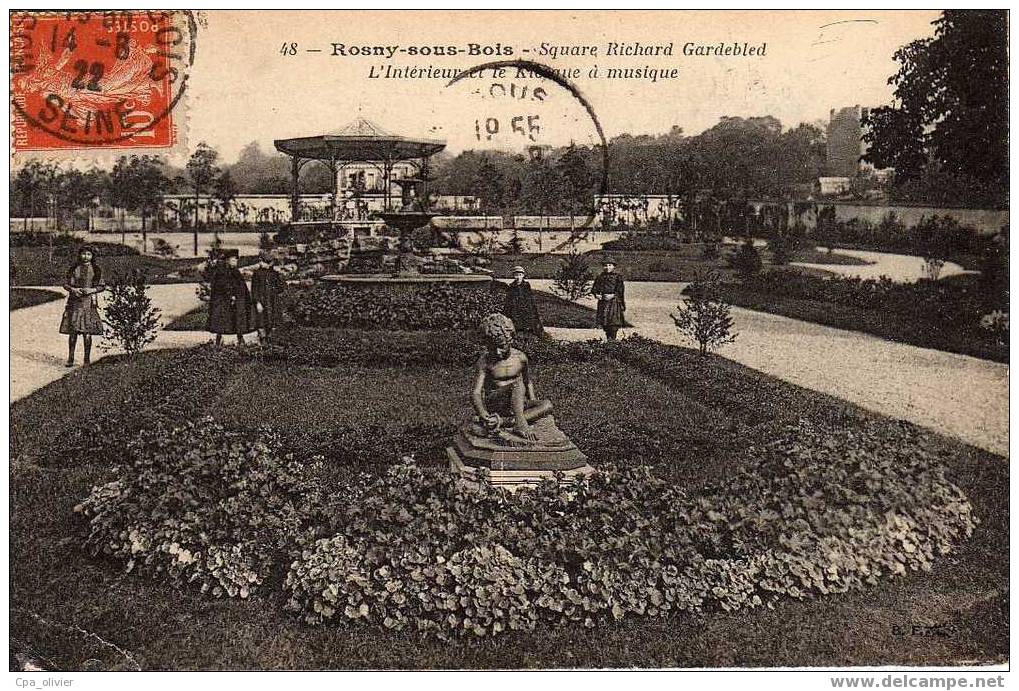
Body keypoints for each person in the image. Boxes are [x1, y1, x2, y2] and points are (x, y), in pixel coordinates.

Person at [471, 313, 552, 442]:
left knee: (547, 405)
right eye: (492, 348)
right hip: (496, 402)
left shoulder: (520, 358)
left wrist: (532, 400)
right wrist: (483, 414)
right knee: (517, 384)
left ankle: (503, 422)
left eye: (502, 346)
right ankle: (520, 423)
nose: (497, 352)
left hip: (516, 404)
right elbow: (476, 393)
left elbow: (528, 381)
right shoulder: (485, 361)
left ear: (511, 340)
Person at [60, 245, 105, 367]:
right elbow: (65, 284)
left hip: (88, 303)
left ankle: (86, 359)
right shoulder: (75, 268)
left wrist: (91, 290)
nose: (86, 256)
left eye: (89, 254)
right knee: (73, 332)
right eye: (84, 254)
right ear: (80, 255)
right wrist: (73, 290)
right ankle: (71, 358)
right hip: (74, 302)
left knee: (87, 332)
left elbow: (102, 286)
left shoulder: (96, 270)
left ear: (92, 256)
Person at [206, 249, 252, 346]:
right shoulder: (221, 272)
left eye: (236, 260)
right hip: (223, 300)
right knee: (222, 319)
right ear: (227, 260)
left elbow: (241, 286)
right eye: (233, 260)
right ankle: (219, 339)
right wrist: (231, 295)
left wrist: (242, 296)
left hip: (235, 299)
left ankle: (240, 337)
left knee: (238, 317)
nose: (236, 262)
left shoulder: (235, 272)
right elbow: (221, 286)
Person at [250, 251, 286, 343]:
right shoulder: (257, 274)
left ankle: (270, 339)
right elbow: (254, 290)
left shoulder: (274, 274)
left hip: (272, 301)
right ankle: (262, 339)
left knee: (271, 320)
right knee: (261, 321)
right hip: (261, 302)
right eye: (262, 262)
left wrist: (280, 277)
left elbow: (281, 288)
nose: (263, 264)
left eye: (267, 263)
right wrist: (257, 302)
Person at [502, 265, 544, 338]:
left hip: (525, 308)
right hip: (514, 308)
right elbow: (508, 301)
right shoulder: (511, 287)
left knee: (530, 323)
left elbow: (530, 299)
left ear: (523, 276)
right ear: (513, 276)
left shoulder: (526, 286)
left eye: (520, 275)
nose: (518, 277)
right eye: (516, 275)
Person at [592, 255, 626, 340]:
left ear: (614, 266)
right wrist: (597, 294)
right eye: (605, 265)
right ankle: (608, 340)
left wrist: (614, 295)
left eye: (610, 265)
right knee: (605, 323)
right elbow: (594, 288)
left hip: (614, 302)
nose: (607, 267)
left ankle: (612, 340)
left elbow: (620, 290)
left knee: (613, 322)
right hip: (603, 301)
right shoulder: (600, 277)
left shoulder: (617, 277)